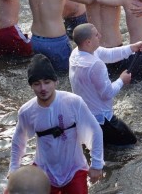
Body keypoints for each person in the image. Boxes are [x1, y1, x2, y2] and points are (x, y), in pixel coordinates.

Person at [10, 55, 104, 192]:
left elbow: (94, 130)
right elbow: (18, 140)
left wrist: (96, 164)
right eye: (37, 84)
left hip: (74, 169)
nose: (43, 88)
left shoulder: (73, 102)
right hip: (43, 171)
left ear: (56, 82)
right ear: (31, 86)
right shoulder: (27, 111)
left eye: (47, 82)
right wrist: (13, 169)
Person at [69, 23, 142, 145]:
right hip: (102, 120)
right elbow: (107, 94)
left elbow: (109, 54)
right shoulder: (95, 64)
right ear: (88, 42)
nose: (100, 36)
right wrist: (122, 80)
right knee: (133, 143)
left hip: (83, 117)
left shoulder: (76, 53)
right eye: (96, 35)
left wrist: (133, 47)